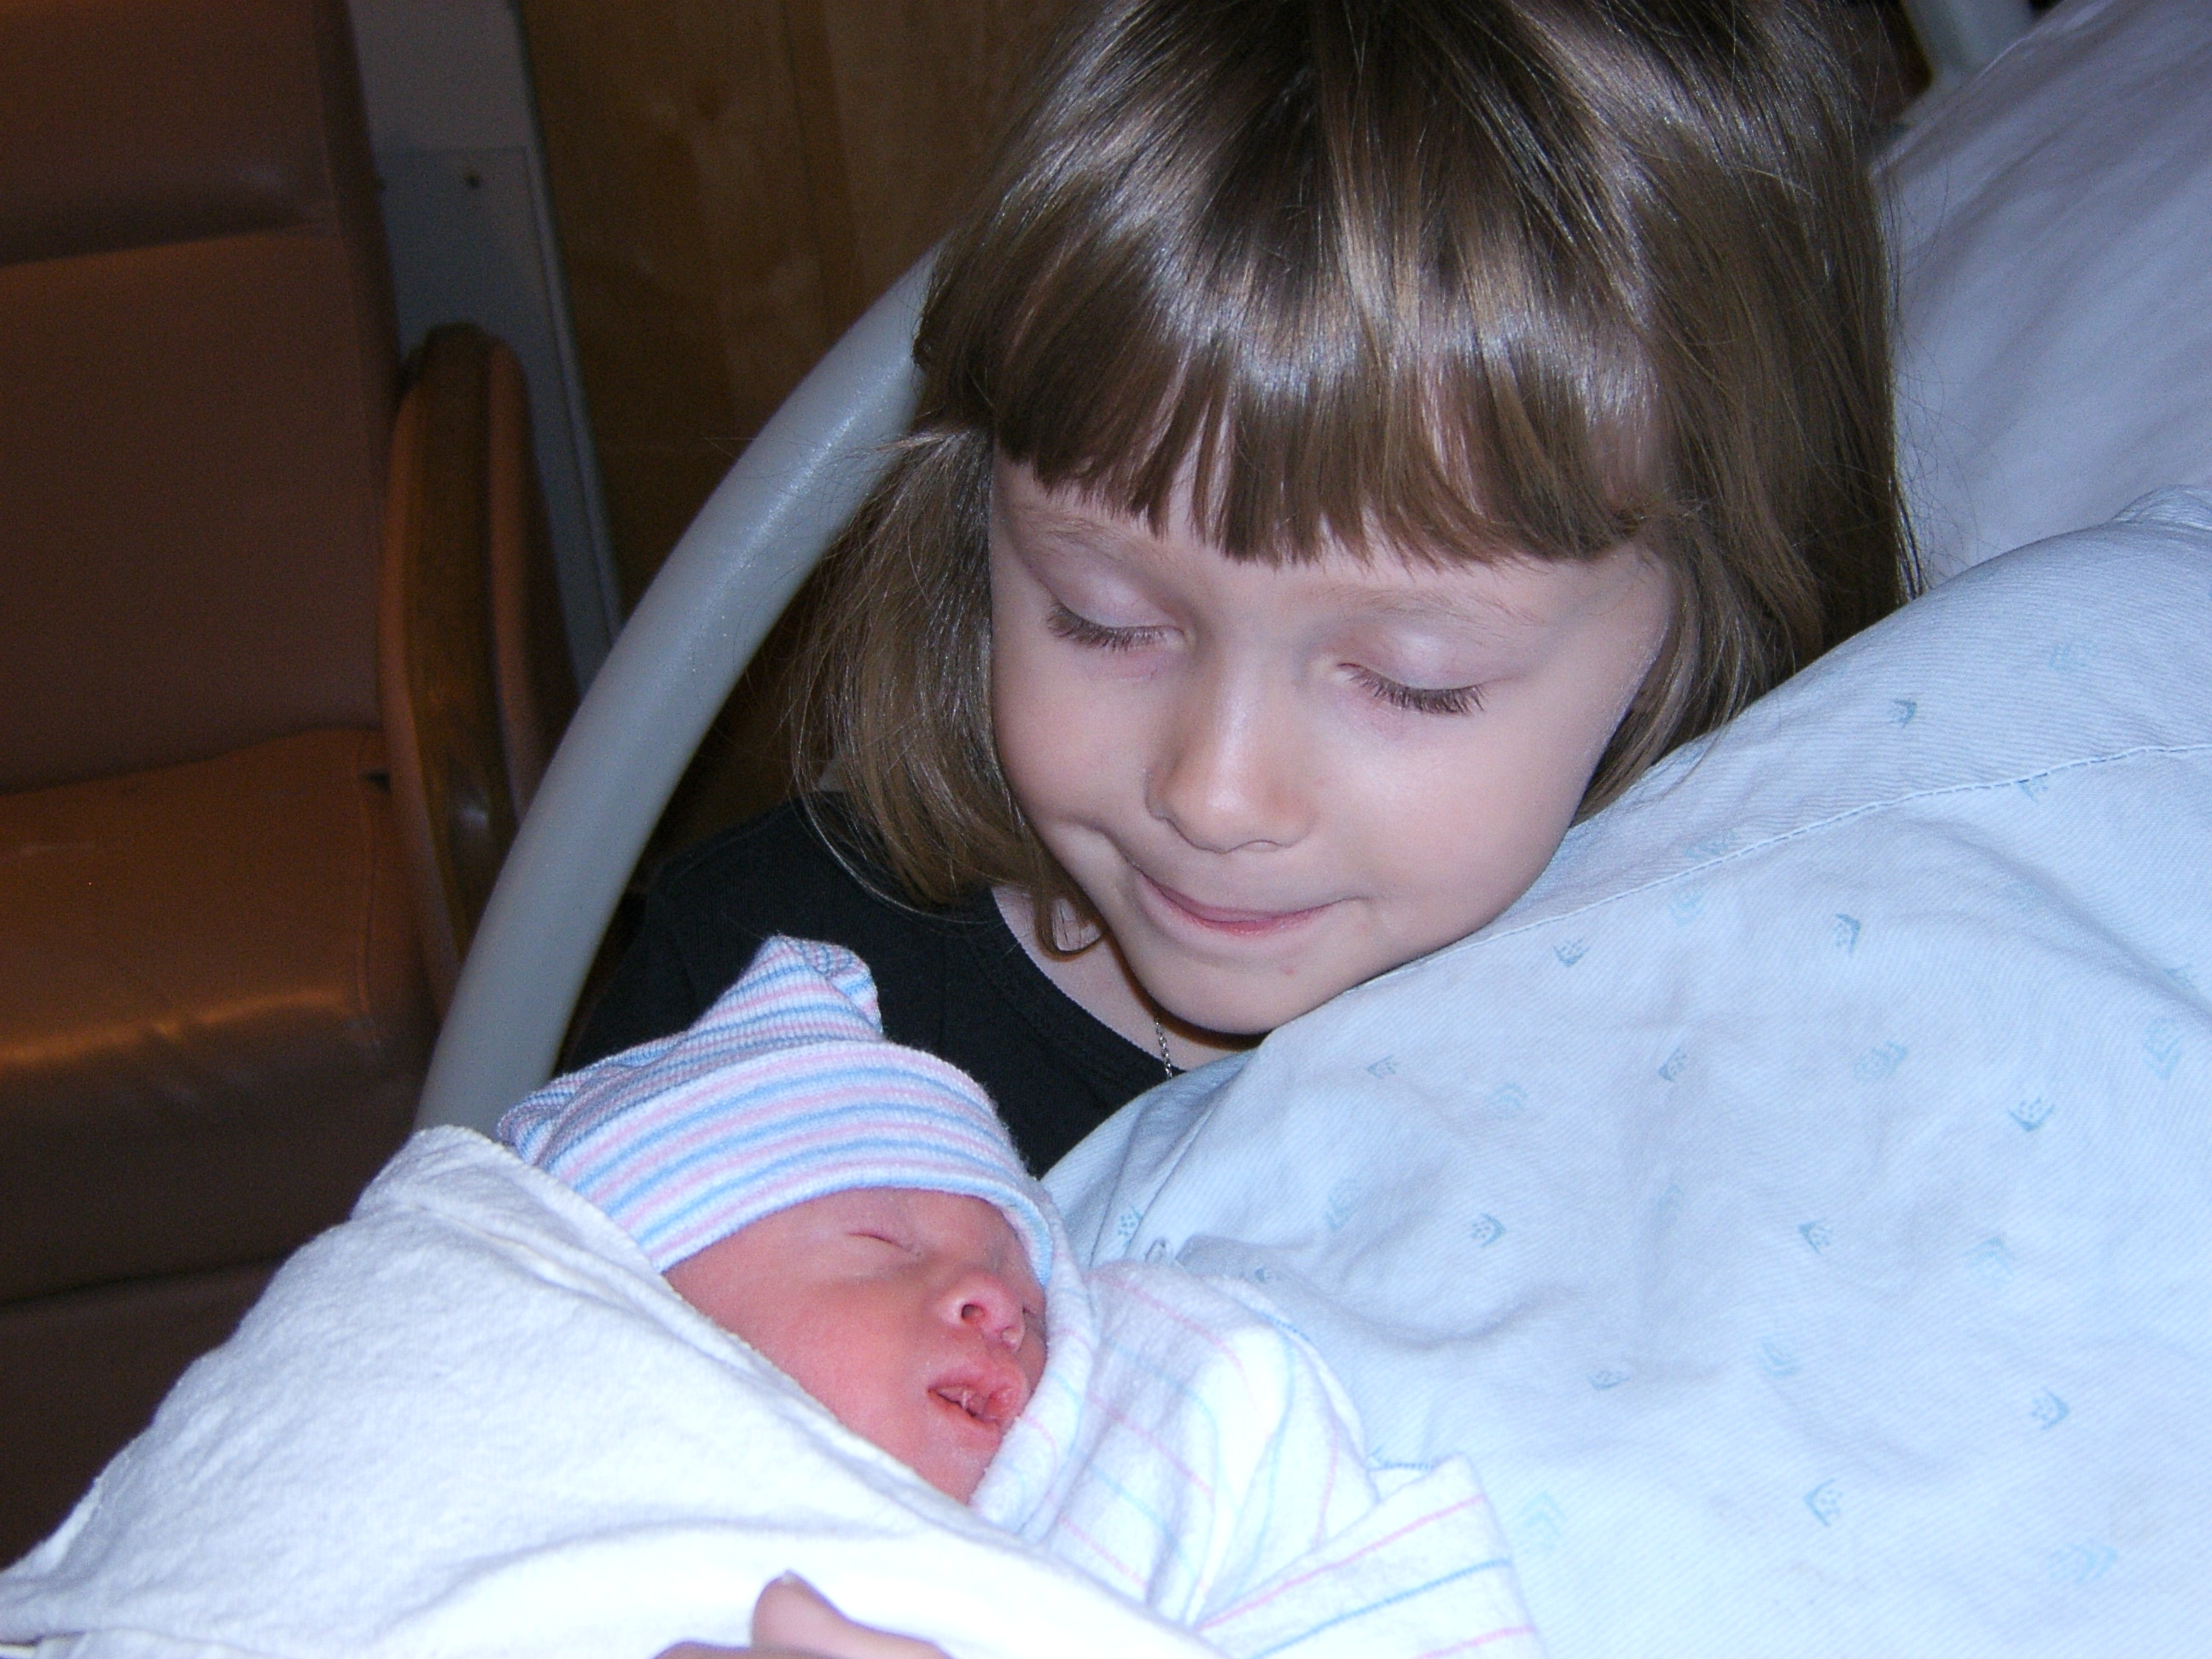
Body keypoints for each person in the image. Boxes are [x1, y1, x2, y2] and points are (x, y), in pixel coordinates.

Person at [573, 0, 1912, 1174]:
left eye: (1410, 680)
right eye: (1105, 615)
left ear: (1711, 597)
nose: (1212, 794)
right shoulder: (749, 1017)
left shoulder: (1770, 1043)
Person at [503, 935, 1541, 1656]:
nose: (994, 1304)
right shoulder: (565, 1538)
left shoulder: (1156, 1446)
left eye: (1022, 1282)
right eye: (880, 1242)